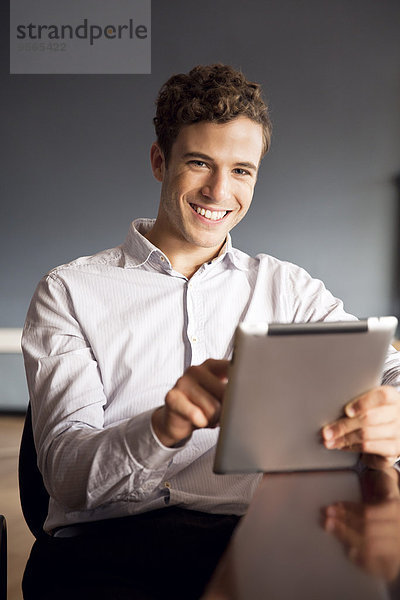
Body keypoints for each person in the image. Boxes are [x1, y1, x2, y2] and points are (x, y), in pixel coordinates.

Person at [21, 64, 400, 598]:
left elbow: (388, 365)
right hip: (107, 548)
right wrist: (163, 425)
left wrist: (394, 407)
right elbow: (66, 475)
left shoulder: (286, 287)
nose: (220, 191)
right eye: (200, 163)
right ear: (160, 160)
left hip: (252, 537)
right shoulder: (68, 291)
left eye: (242, 170)